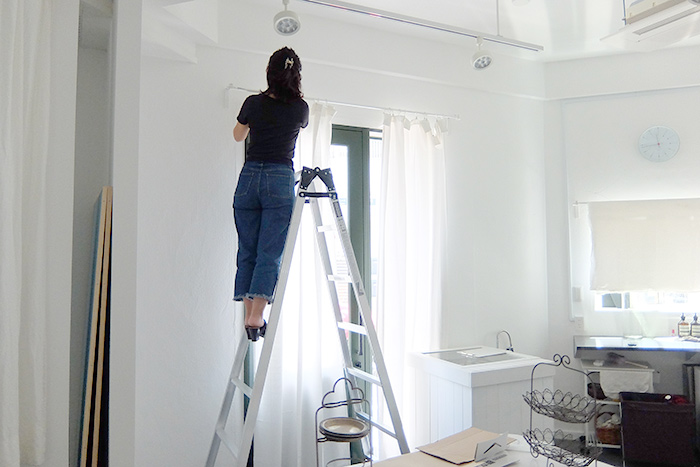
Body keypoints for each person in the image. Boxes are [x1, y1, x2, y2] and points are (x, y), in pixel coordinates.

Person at [232, 47, 309, 341]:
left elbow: (238, 135)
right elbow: (296, 127)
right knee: (269, 251)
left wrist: (253, 122)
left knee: (247, 249)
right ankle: (257, 314)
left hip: (250, 176)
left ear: (269, 72)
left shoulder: (253, 103)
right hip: (279, 177)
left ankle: (250, 314)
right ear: (296, 75)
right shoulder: (300, 108)